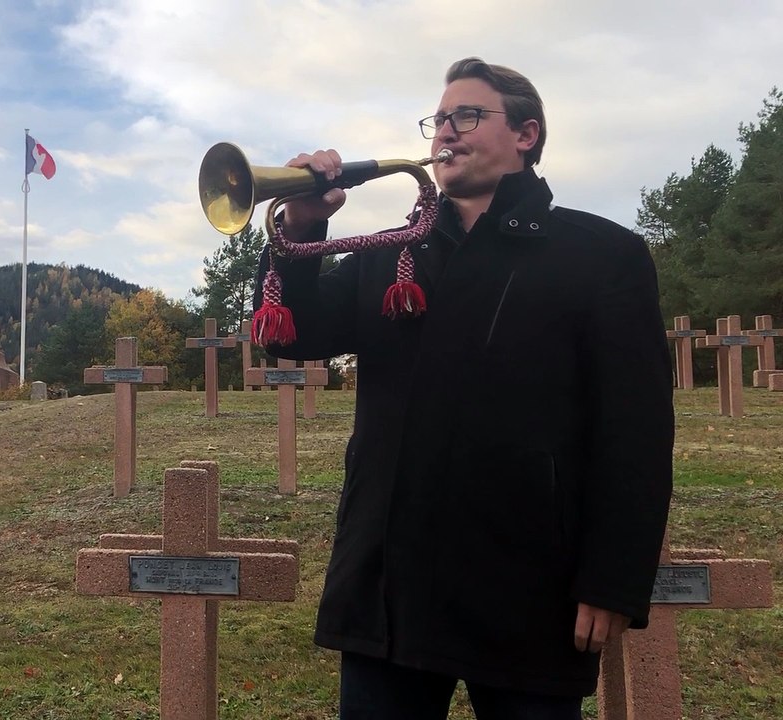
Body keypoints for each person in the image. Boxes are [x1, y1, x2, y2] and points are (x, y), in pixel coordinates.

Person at [253, 57, 674, 719]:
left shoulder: (602, 256)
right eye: (439, 119)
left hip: (532, 589)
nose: (446, 131)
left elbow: (636, 432)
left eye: (467, 115)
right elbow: (287, 334)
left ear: (526, 134)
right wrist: (302, 225)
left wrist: (614, 579)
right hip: (388, 584)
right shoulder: (388, 252)